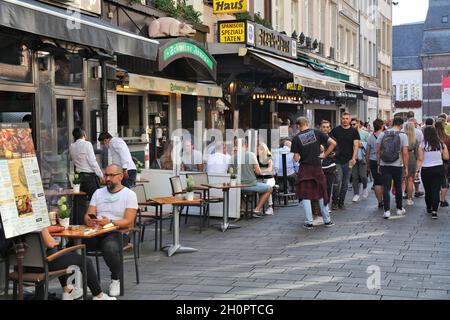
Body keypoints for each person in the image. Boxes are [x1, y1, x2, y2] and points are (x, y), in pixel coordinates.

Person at [83, 164, 138, 297]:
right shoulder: (98, 193)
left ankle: (115, 278)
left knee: (109, 247)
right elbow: (88, 214)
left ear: (120, 176)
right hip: (97, 231)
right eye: (106, 175)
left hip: (118, 232)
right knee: (73, 246)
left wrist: (111, 222)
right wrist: (88, 219)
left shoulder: (129, 194)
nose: (107, 178)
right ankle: (84, 282)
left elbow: (128, 221)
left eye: (111, 175)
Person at [40, 227, 116, 300]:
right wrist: (54, 240)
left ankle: (68, 292)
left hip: (29, 267)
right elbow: (50, 243)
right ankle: (99, 296)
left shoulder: (28, 224)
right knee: (86, 261)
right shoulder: (38, 225)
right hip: (44, 264)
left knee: (59, 255)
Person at [291, 117, 336, 230]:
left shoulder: (296, 138)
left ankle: (309, 222)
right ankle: (327, 220)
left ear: (298, 126)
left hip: (305, 169)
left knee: (305, 195)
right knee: (321, 192)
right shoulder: (316, 133)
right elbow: (333, 143)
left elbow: (296, 158)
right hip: (317, 168)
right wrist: (324, 155)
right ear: (308, 123)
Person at [70, 128, 105, 225]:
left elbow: (72, 160)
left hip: (79, 178)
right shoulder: (87, 144)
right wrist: (100, 174)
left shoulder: (72, 146)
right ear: (84, 134)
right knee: (98, 200)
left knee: (79, 204)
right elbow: (92, 161)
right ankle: (99, 224)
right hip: (89, 177)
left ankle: (78, 226)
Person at [230, 140, 272, 217]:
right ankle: (257, 209)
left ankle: (241, 209)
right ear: (246, 146)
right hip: (250, 185)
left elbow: (230, 172)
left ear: (236, 146)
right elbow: (258, 172)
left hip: (237, 186)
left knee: (240, 192)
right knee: (269, 188)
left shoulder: (232, 157)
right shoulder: (251, 155)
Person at [377, 117, 409, 219]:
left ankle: (387, 211)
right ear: (401, 125)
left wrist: (378, 164)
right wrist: (406, 167)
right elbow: (405, 153)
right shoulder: (403, 135)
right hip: (397, 165)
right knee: (398, 186)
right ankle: (399, 209)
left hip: (384, 164)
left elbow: (378, 151)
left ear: (393, 123)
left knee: (386, 188)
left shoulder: (383, 134)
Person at [416, 126, 449, 219]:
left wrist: (417, 171)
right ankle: (435, 211)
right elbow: (446, 157)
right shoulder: (441, 143)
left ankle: (428, 208)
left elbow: (420, 159)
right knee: (436, 190)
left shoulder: (422, 144)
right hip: (438, 169)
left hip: (426, 169)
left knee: (428, 190)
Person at [330, 112, 360, 210]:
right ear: (341, 119)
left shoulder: (354, 131)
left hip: (348, 160)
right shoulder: (335, 130)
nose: (345, 120)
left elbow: (356, 145)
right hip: (336, 159)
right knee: (337, 180)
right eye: (343, 118)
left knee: (345, 183)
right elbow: (330, 143)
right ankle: (334, 201)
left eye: (347, 118)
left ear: (350, 119)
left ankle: (341, 202)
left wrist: (354, 158)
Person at [366, 119, 385, 209]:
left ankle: (379, 201)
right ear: (382, 126)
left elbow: (367, 151)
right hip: (384, 161)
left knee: (377, 182)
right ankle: (386, 199)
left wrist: (367, 163)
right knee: (385, 182)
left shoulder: (370, 137)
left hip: (373, 160)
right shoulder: (385, 135)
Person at [319, 120, 337, 212]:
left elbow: (338, 150)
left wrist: (334, 154)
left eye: (327, 127)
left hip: (330, 165)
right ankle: (319, 206)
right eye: (323, 126)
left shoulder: (332, 138)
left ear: (329, 128)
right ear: (320, 127)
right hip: (319, 166)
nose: (325, 128)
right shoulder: (317, 138)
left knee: (328, 187)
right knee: (320, 187)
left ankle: (326, 205)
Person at [350, 118, 369, 202]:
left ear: (358, 124)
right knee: (354, 177)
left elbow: (369, 145)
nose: (352, 126)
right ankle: (356, 194)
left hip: (362, 157)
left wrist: (362, 144)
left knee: (363, 176)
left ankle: (365, 188)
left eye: (354, 124)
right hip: (352, 157)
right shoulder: (348, 133)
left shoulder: (365, 133)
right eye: (351, 124)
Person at [257, 142, 275, 215]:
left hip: (269, 179)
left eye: (258, 149)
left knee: (268, 187)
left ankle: (270, 207)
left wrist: (260, 171)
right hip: (260, 178)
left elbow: (270, 169)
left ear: (263, 150)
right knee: (257, 187)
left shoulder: (269, 157)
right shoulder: (256, 158)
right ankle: (259, 207)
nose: (256, 151)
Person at [435, 120, 450, 207]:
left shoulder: (433, 138)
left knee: (435, 180)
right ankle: (442, 199)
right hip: (446, 161)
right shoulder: (447, 137)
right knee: (444, 179)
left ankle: (436, 197)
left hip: (435, 161)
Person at [403, 123, 419, 206]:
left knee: (404, 177)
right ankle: (409, 198)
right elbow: (417, 153)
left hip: (402, 157)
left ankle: (405, 194)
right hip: (412, 157)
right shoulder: (414, 139)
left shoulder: (402, 137)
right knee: (410, 179)